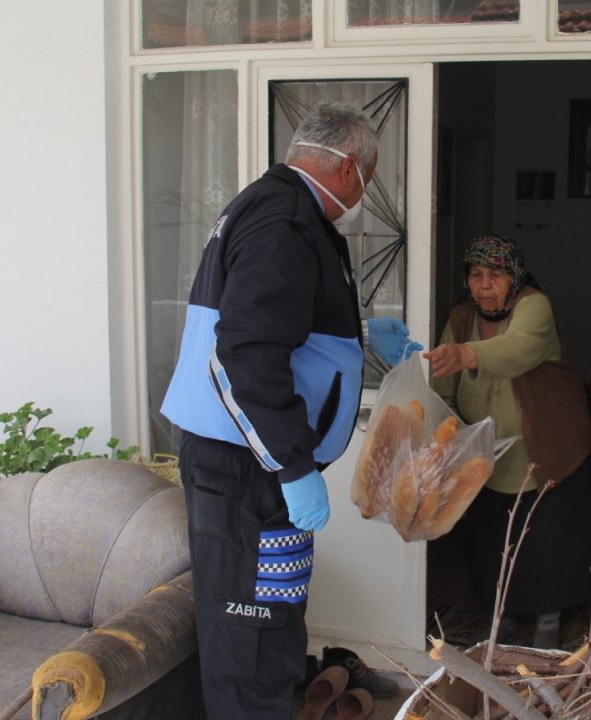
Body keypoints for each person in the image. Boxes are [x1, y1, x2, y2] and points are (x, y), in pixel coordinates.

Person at [160, 102, 420, 719]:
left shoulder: (279, 209)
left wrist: (357, 335)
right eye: (370, 177)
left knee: (272, 622)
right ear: (350, 168)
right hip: (246, 468)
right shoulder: (284, 221)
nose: (366, 191)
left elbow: (275, 320)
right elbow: (243, 352)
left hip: (253, 467)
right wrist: (293, 464)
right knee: (251, 643)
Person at [423, 234, 591, 648]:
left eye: (495, 274)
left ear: (513, 276)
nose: (484, 284)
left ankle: (550, 623)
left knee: (546, 538)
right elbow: (443, 378)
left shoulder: (534, 305)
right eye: (476, 274)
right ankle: (508, 619)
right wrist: (444, 426)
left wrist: (467, 355)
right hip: (487, 453)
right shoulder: (463, 318)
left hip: (545, 448)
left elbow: (519, 349)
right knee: (492, 541)